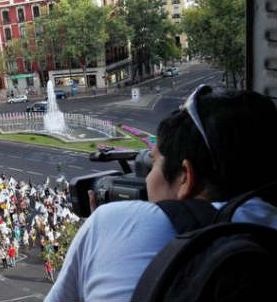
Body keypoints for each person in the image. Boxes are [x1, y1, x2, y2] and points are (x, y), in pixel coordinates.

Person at [45, 88, 277, 301]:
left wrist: (104, 233)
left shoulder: (112, 222)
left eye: (153, 163)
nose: (146, 178)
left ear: (186, 177)